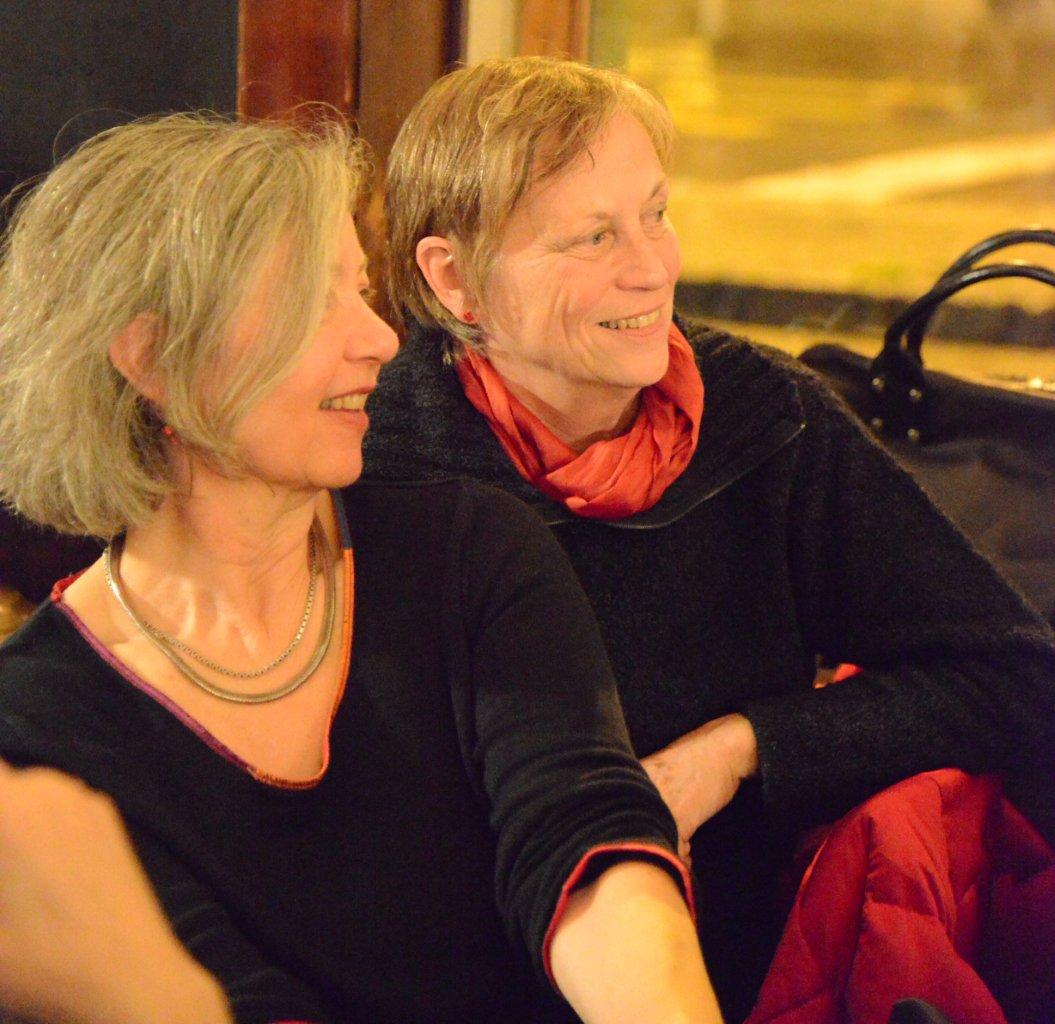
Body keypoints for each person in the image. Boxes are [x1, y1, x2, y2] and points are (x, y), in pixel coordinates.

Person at [365, 56, 1055, 1018]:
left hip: (736, 971)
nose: (652, 267)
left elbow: (1011, 674)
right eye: (593, 236)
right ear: (454, 280)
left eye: (655, 212)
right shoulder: (376, 459)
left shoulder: (760, 417)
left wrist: (737, 753)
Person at [0, 113, 721, 1024]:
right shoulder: (36, 727)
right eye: (312, 301)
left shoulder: (467, 549)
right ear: (151, 359)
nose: (378, 338)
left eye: (364, 289)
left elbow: (584, 839)